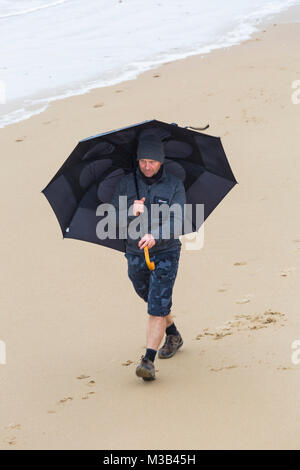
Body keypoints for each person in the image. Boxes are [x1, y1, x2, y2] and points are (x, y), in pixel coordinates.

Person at [110, 132, 186, 381]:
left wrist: (156, 235)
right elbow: (110, 220)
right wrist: (130, 211)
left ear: (161, 161)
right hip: (134, 253)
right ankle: (173, 333)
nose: (147, 166)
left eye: (152, 162)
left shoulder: (174, 185)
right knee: (150, 296)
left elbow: (179, 220)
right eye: (143, 161)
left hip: (166, 252)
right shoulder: (126, 183)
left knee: (156, 306)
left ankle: (148, 361)